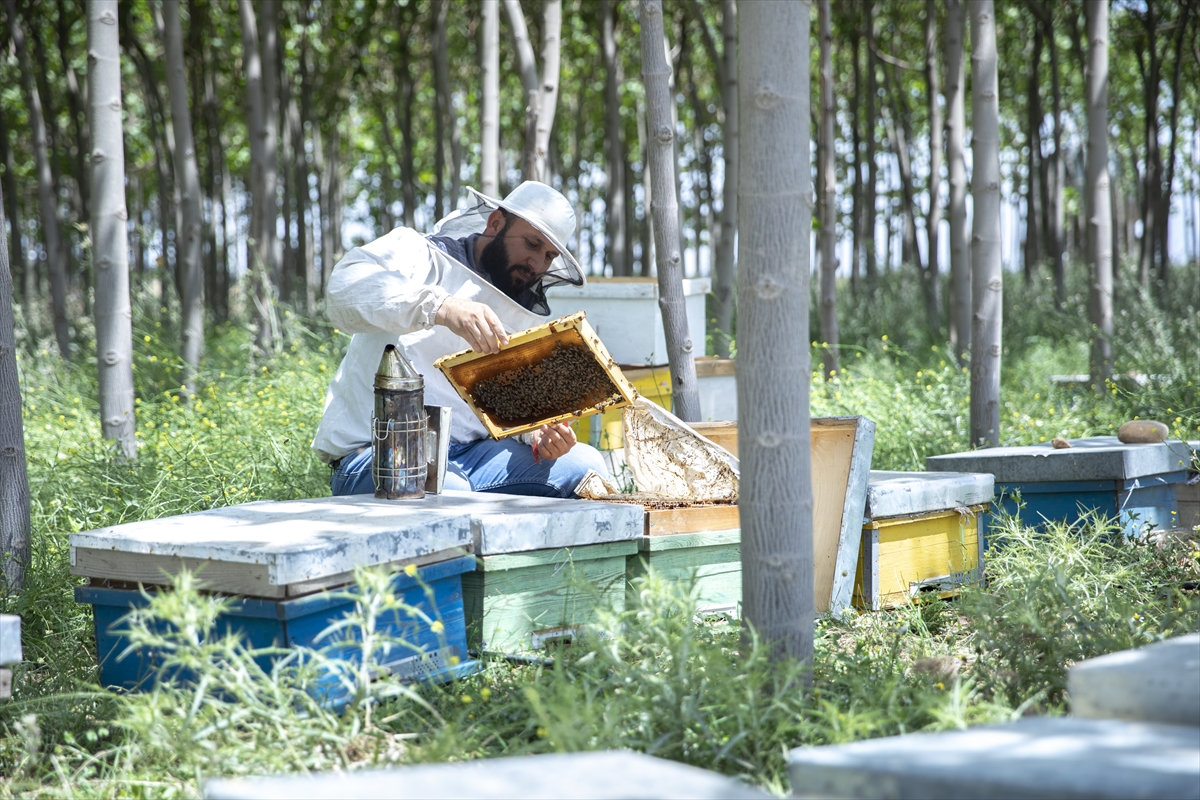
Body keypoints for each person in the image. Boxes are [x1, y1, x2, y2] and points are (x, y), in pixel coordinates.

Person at [312, 181, 610, 498]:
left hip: (471, 458)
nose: (537, 263)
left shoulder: (518, 305)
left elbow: (506, 406)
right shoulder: (415, 253)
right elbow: (343, 288)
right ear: (495, 223)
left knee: (585, 466)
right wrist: (442, 306)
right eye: (532, 243)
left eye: (549, 255)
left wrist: (536, 433)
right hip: (376, 452)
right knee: (445, 489)